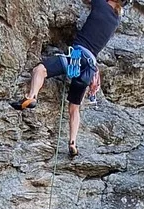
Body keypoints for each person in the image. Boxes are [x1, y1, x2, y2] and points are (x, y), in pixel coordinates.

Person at [10, 0, 124, 156]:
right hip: (89, 66)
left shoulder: (100, 4)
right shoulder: (116, 20)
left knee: (40, 70)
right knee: (74, 107)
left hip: (77, 56)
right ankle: (73, 143)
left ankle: (32, 96)